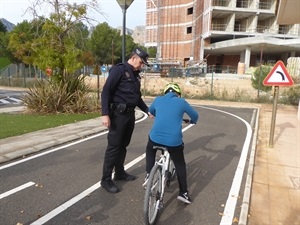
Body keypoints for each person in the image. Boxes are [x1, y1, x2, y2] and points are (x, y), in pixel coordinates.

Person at [100, 47, 150, 193]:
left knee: (123, 145)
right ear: (133, 58)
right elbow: (106, 92)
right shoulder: (119, 70)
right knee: (114, 147)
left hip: (129, 115)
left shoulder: (135, 75)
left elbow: (137, 97)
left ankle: (120, 172)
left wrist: (147, 110)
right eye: (141, 62)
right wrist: (105, 114)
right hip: (118, 115)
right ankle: (106, 179)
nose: (141, 66)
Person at [143, 83, 199, 204]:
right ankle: (183, 193)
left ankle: (148, 174)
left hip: (155, 138)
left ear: (165, 92)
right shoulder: (181, 102)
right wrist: (192, 121)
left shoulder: (158, 99)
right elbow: (195, 116)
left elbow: (151, 111)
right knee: (180, 164)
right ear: (177, 94)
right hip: (173, 142)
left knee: (150, 148)